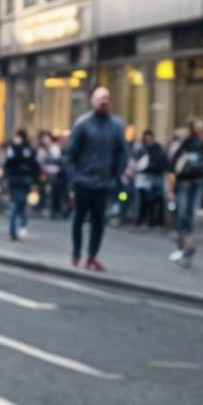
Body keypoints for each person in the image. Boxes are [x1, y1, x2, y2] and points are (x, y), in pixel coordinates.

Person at [65, 86, 127, 270]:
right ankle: (76, 251)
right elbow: (71, 154)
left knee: (99, 221)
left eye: (106, 98)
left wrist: (116, 175)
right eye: (100, 98)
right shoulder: (83, 124)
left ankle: (92, 255)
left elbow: (121, 152)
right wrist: (73, 179)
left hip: (103, 183)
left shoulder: (116, 125)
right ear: (93, 101)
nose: (103, 101)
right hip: (83, 181)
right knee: (79, 218)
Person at [168, 119, 203, 266]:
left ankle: (186, 245)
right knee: (184, 215)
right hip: (185, 183)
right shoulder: (185, 144)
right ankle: (184, 244)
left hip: (193, 183)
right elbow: (172, 167)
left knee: (186, 216)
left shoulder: (199, 144)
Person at [4, 128, 38, 240]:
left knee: (18, 204)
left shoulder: (20, 148)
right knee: (19, 204)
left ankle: (18, 229)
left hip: (20, 179)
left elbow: (32, 163)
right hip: (19, 179)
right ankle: (17, 229)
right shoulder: (16, 148)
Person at [134, 130, 169, 227]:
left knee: (155, 199)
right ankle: (141, 219)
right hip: (143, 179)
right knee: (143, 200)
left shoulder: (157, 149)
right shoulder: (141, 149)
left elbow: (162, 163)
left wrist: (149, 166)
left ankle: (154, 220)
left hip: (155, 178)